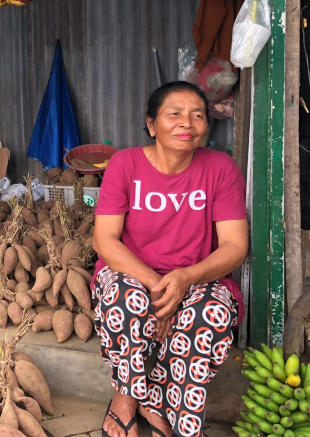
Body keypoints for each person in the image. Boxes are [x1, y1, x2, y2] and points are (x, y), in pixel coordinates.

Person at [91, 80, 248, 437]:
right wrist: (160, 287)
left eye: (197, 115)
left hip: (198, 276)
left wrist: (185, 280)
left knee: (206, 315)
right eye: (174, 114)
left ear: (206, 126)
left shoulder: (220, 168)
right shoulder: (124, 164)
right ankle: (127, 399)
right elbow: (105, 239)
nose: (187, 123)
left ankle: (179, 416)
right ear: (151, 124)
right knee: (125, 298)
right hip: (133, 273)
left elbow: (235, 247)